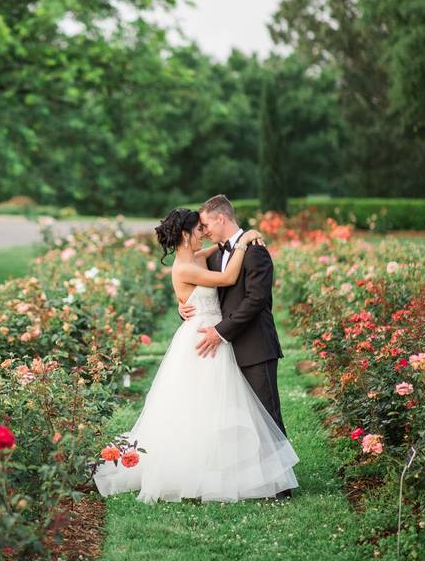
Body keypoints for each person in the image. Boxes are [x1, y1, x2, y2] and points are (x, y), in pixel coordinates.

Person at [93, 206, 298, 503]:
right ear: (186, 234)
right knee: (204, 406)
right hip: (205, 337)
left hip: (221, 335)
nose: (204, 232)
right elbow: (227, 279)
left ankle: (268, 478)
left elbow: (224, 256)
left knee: (237, 407)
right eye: (198, 228)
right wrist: (241, 243)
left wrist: (246, 236)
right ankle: (215, 473)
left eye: (206, 225)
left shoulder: (200, 257)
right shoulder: (187, 265)